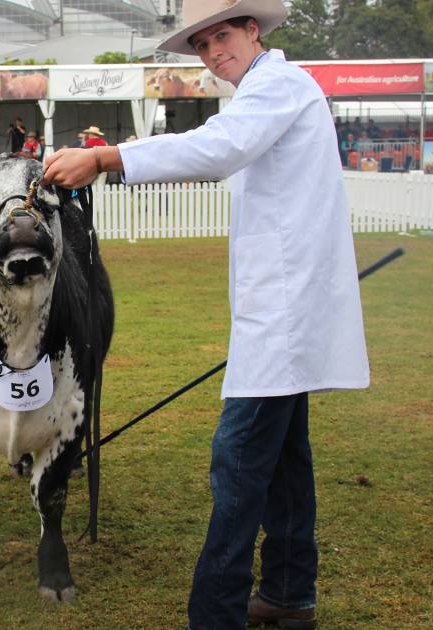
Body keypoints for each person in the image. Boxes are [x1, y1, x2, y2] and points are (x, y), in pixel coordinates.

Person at [42, 1, 369, 627]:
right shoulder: (266, 91)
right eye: (202, 44)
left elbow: (218, 149)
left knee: (240, 460)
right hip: (280, 309)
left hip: (285, 315)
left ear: (252, 30)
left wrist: (107, 158)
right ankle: (289, 593)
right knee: (284, 461)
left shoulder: (279, 84)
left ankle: (217, 616)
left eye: (222, 35)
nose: (214, 51)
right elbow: (222, 152)